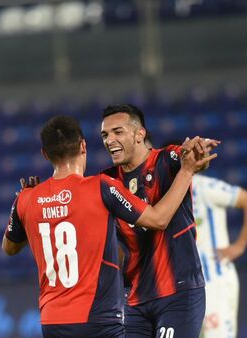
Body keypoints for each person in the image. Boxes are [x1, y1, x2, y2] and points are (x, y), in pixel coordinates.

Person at [2, 115, 216, 338]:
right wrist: (187, 171)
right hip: (98, 318)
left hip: (52, 321)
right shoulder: (101, 187)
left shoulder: (26, 199)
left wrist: (30, 207)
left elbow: (10, 248)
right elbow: (158, 219)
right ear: (83, 146)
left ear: (45, 154)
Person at [100, 104, 215, 338]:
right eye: (105, 134)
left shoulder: (165, 160)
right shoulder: (108, 181)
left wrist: (196, 153)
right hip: (135, 300)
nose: (109, 140)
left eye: (117, 132)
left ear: (139, 134)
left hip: (178, 293)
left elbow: (187, 157)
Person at [191, 173, 247, 338]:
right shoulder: (164, 195)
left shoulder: (204, 186)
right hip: (186, 287)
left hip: (214, 282)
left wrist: (240, 246)